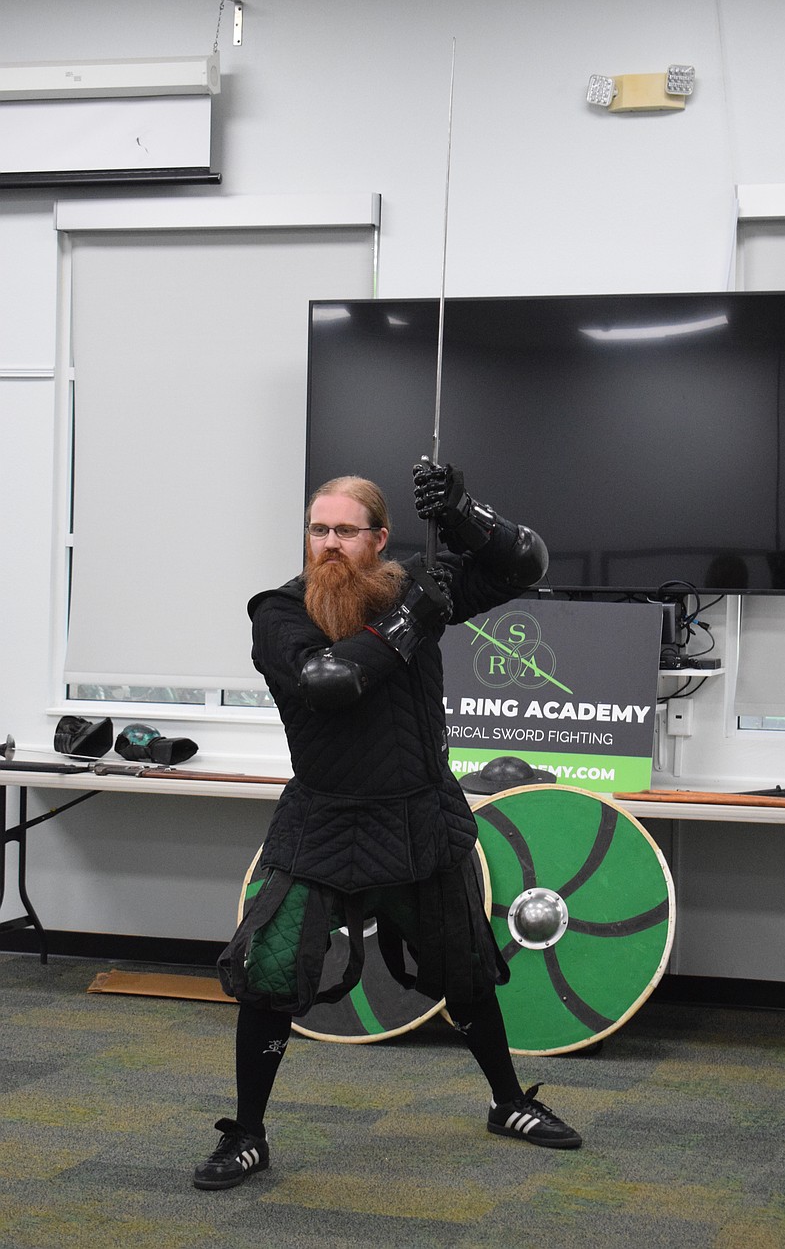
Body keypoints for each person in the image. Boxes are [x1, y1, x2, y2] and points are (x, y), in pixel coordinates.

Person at [193, 463, 582, 1190]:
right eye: (318, 529)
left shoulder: (415, 589)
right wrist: (412, 621)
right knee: (270, 976)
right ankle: (248, 1134)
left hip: (419, 818)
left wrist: (466, 514)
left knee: (465, 970)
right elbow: (328, 682)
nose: (329, 544)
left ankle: (507, 1101)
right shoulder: (279, 612)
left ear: (379, 538)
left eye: (346, 530)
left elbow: (524, 562)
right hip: (324, 824)